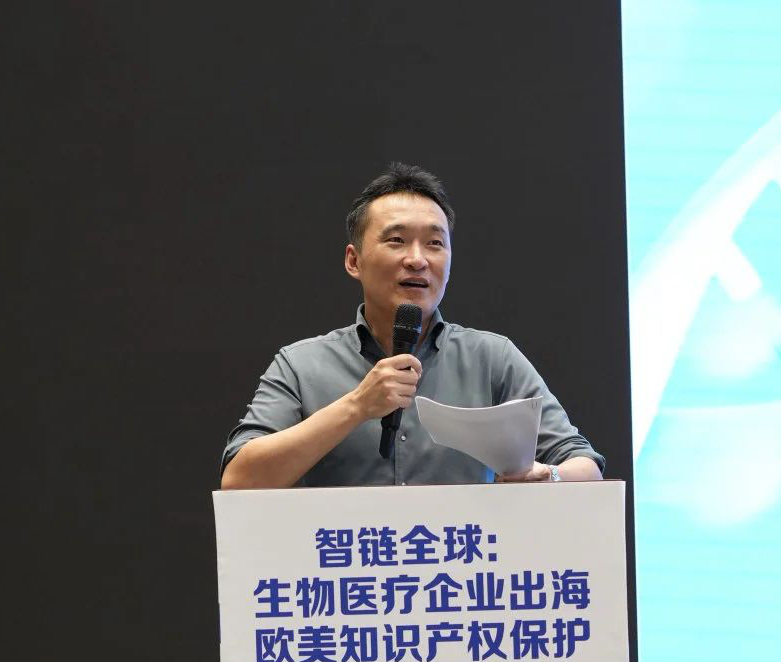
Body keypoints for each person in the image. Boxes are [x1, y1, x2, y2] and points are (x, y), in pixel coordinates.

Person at [220, 163, 603, 488]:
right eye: (397, 240)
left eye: (435, 243)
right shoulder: (301, 366)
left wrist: (549, 475)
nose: (418, 260)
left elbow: (586, 467)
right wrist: (356, 406)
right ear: (354, 261)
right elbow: (239, 479)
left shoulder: (492, 359)